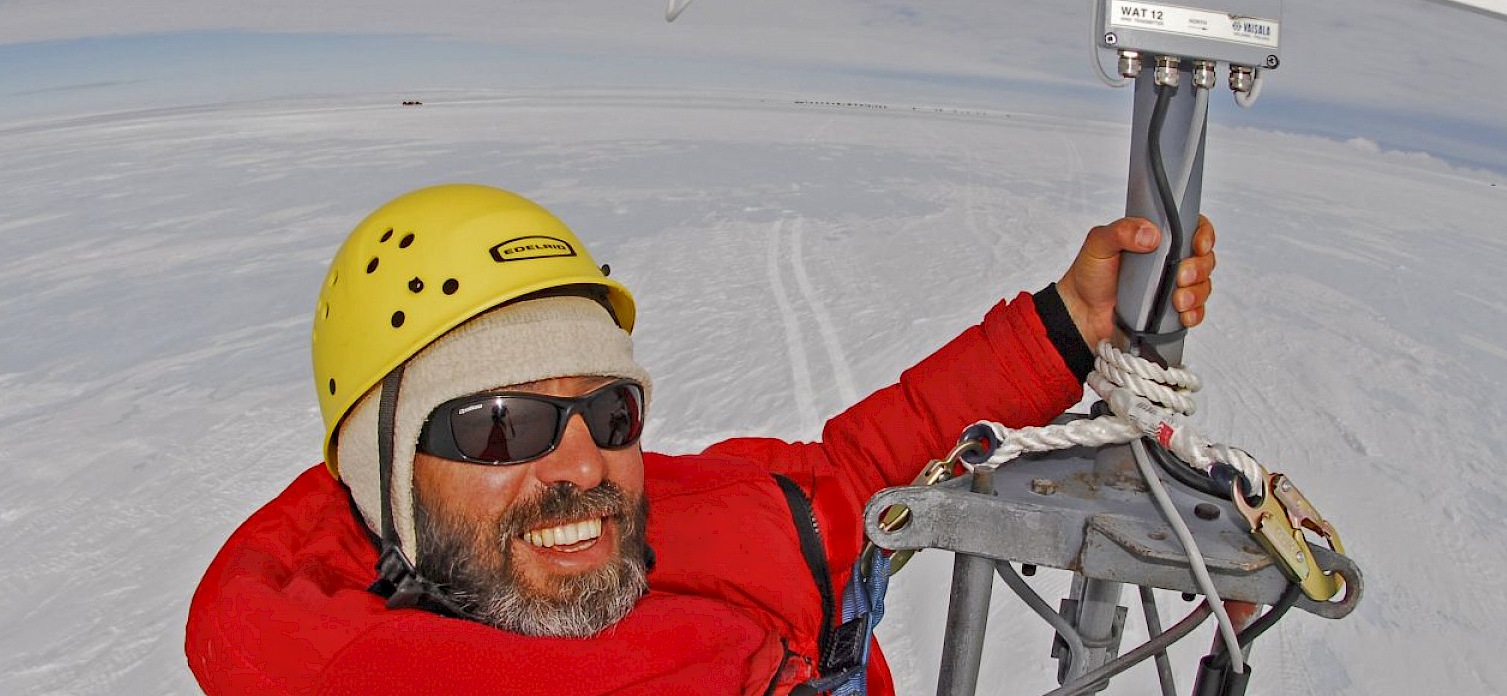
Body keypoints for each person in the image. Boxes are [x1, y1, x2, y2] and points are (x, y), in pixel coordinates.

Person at [185, 184, 1217, 696]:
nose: (582, 465)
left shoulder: (648, 522)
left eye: (610, 411)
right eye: (503, 424)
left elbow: (843, 474)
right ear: (383, 484)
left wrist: (1061, 328)